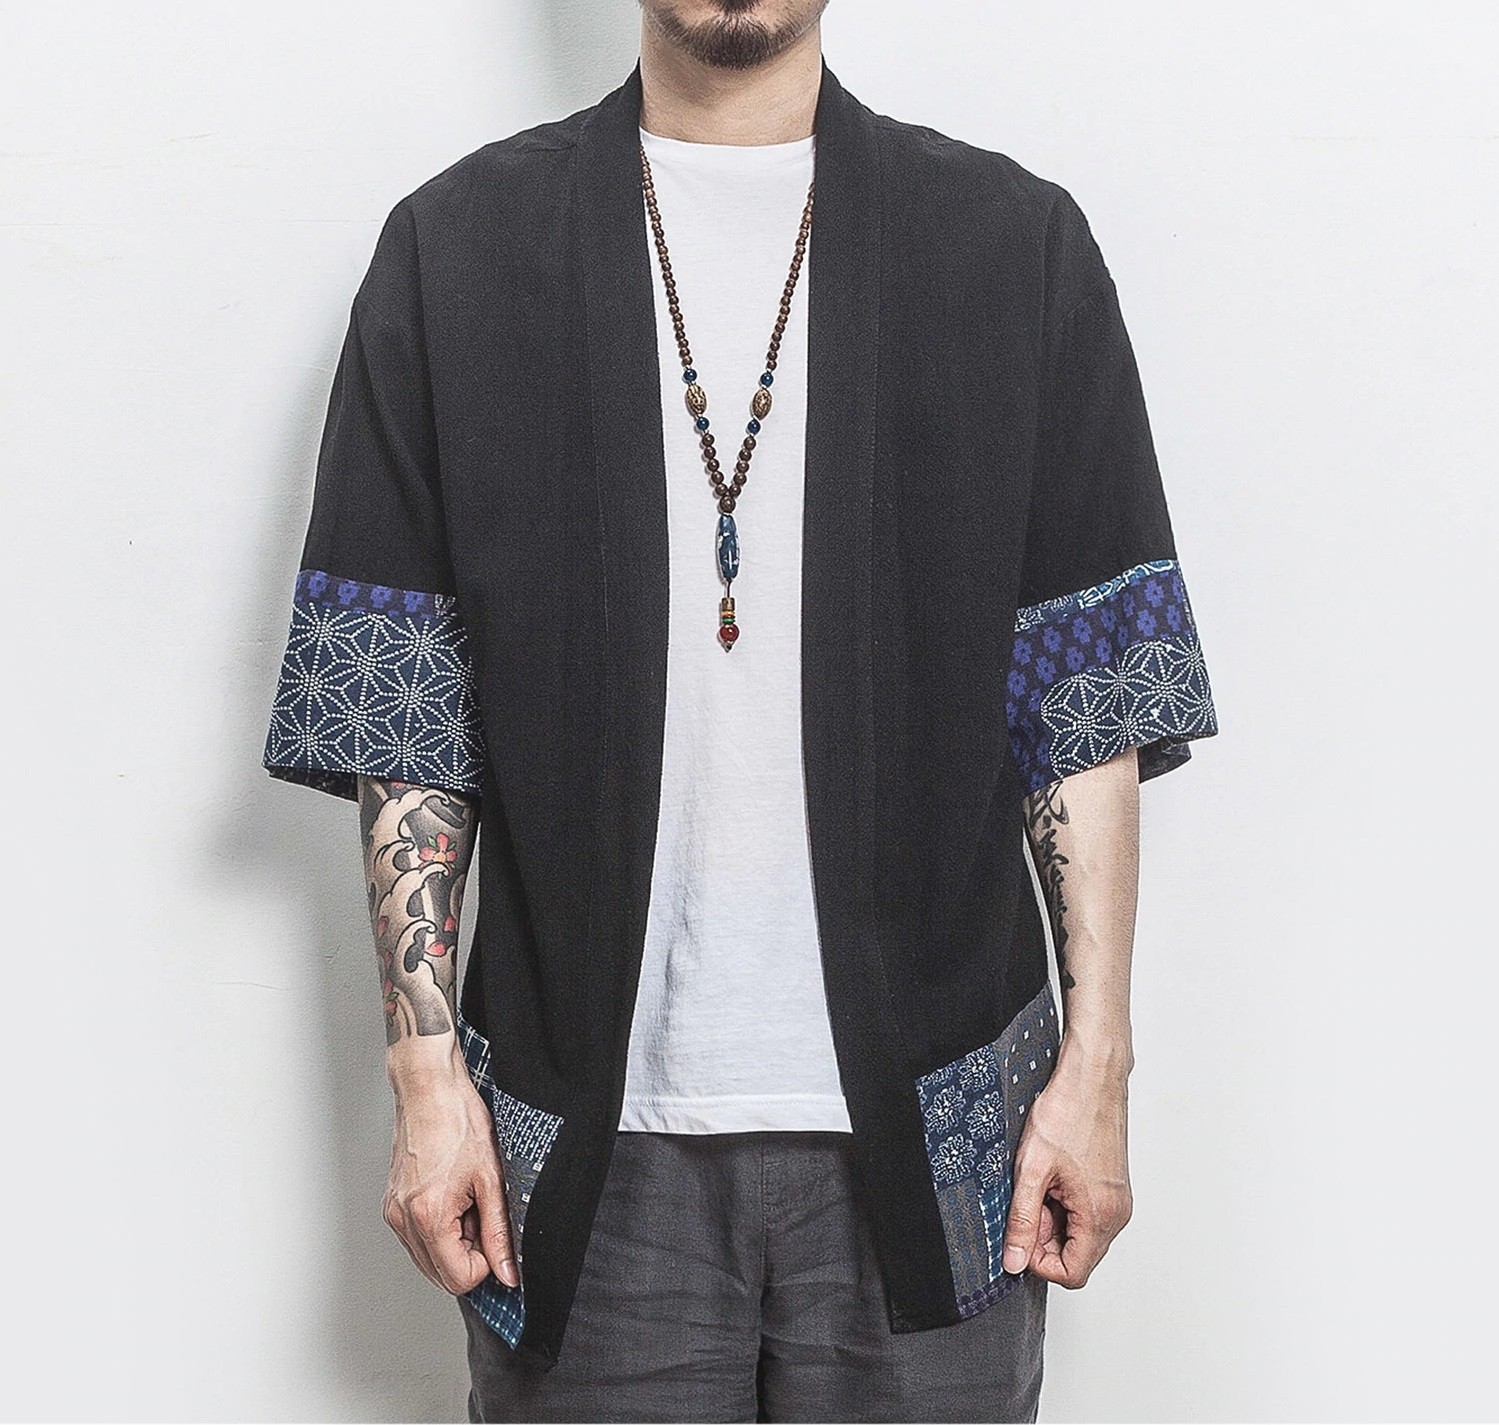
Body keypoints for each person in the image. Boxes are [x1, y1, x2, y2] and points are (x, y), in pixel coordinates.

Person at [261, 2, 1219, 1419]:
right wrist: (423, 1078)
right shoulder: (458, 252)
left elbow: (1087, 706)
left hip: (947, 1137)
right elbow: (401, 711)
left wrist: (1100, 1069)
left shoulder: (1011, 249)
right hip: (579, 1157)